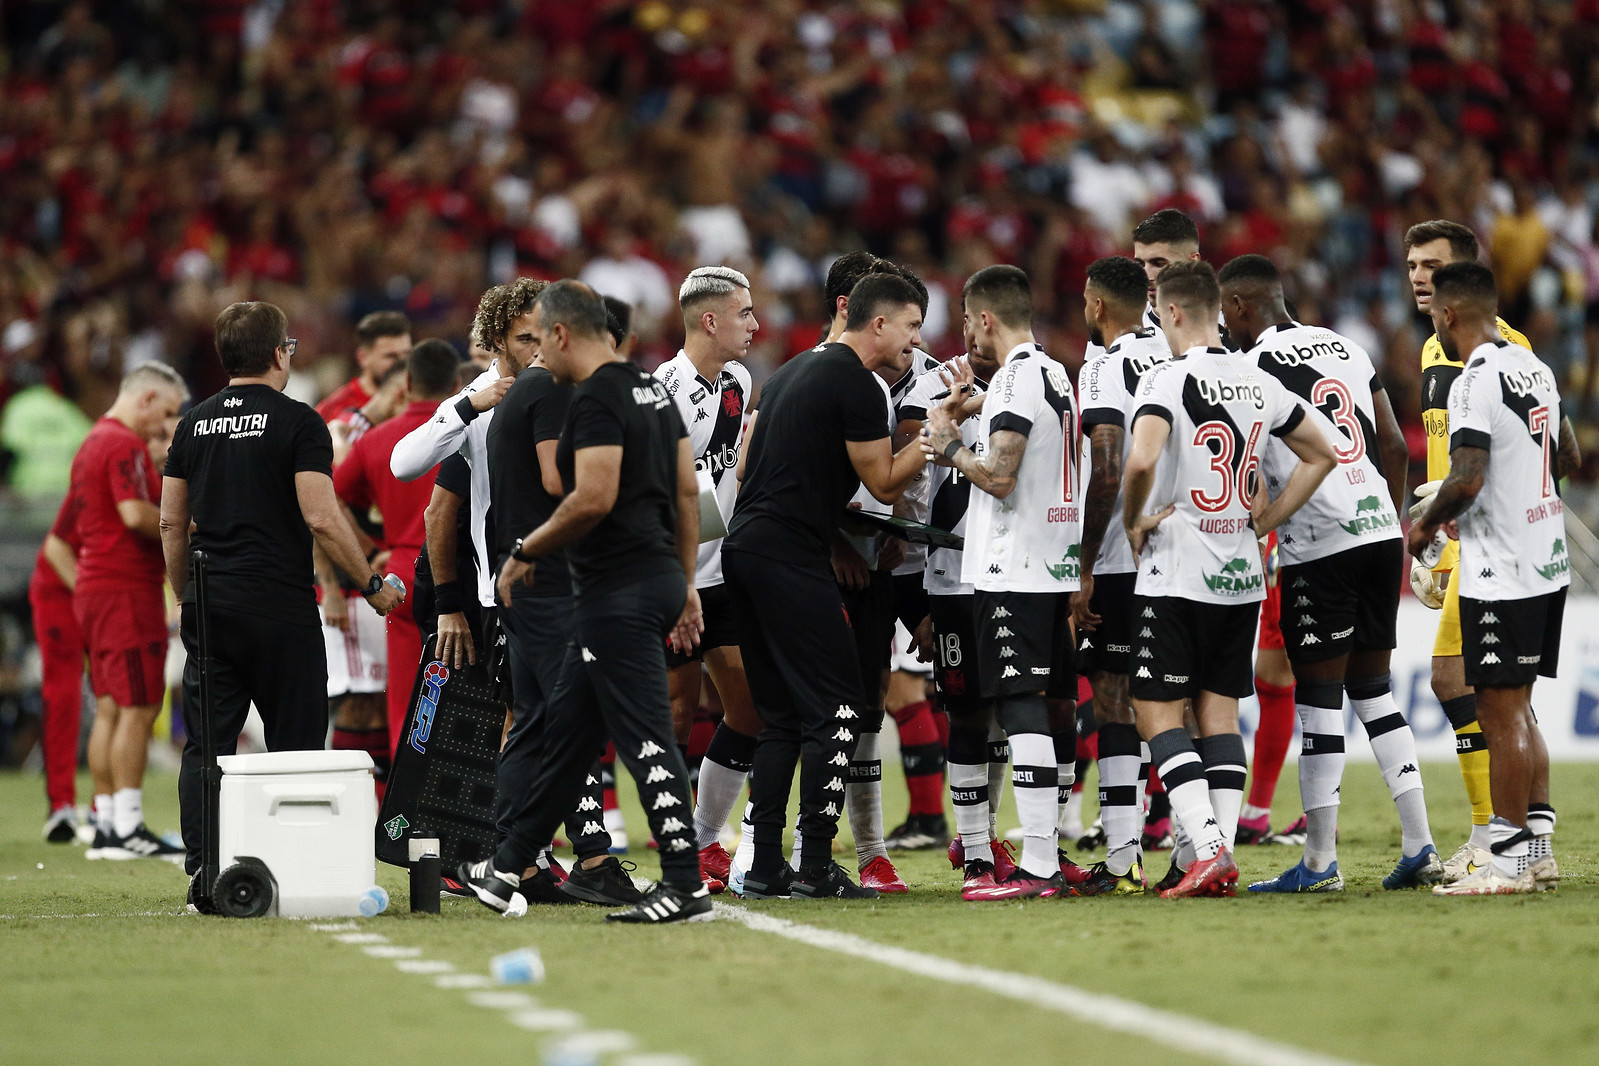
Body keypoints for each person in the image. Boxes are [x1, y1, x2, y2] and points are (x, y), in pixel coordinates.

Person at [471, 280, 711, 924]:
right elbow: (687, 493)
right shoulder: (654, 390)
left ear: (560, 333)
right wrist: (684, 582)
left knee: (645, 739)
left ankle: (686, 885)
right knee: (569, 732)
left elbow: (590, 497)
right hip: (655, 576)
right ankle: (506, 867)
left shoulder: (595, 397)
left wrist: (526, 552)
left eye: (543, 335)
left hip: (616, 593)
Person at [161, 302, 402, 902]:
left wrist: (183, 593)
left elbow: (171, 524)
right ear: (277, 354)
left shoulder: (192, 423)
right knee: (294, 739)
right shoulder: (299, 422)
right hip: (279, 603)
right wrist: (370, 587)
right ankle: (290, 864)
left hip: (211, 601)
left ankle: (204, 871)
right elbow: (321, 515)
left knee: (208, 744)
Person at [1217, 254, 1440, 893]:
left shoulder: (1248, 369)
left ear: (1236, 308)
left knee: (1318, 702)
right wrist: (1385, 518)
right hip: (1378, 531)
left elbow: (1247, 465)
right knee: (1373, 693)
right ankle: (1420, 842)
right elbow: (1394, 446)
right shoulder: (1343, 345)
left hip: (1320, 543)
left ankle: (1318, 863)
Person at [1121, 261, 1335, 899]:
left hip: (1179, 568)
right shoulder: (1258, 379)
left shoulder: (1166, 378)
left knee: (1155, 708)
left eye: (1159, 313)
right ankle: (1212, 850)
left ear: (1175, 313)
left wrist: (1134, 518)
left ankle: (1210, 849)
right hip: (1242, 573)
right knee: (1217, 712)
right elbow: (1322, 453)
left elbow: (1140, 458)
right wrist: (1266, 517)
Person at [723, 271, 926, 900]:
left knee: (781, 716)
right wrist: (938, 437)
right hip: (788, 555)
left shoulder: (789, 372)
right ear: (878, 323)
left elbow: (752, 465)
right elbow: (887, 481)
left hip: (746, 550)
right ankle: (814, 864)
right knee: (837, 708)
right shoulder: (857, 382)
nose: (916, 342)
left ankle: (762, 865)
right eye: (912, 326)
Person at [1408, 261, 1577, 896]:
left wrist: (1428, 523)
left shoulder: (1473, 380)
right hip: (1546, 558)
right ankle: (1533, 848)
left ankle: (1504, 861)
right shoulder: (1536, 367)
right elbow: (1569, 456)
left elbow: (1470, 474)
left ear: (1449, 316)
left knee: (1498, 713)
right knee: (1520, 710)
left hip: (1500, 569)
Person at [923, 264, 1080, 901]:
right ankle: (1047, 857)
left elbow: (1000, 477)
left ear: (985, 319)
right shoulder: (1053, 372)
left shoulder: (1017, 375)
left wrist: (947, 444)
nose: (966, 335)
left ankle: (1038, 866)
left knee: (1018, 712)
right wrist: (973, 410)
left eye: (967, 322)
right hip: (1054, 566)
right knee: (1043, 709)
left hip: (1013, 569)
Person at [1404, 220, 1533, 883]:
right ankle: (1526, 853)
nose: (1419, 276)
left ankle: (1495, 841)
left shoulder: (1499, 352)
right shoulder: (1433, 350)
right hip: (1461, 539)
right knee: (1504, 698)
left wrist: (1436, 520)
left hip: (1492, 538)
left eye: (1432, 264)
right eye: (1410, 265)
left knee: (1457, 681)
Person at [484, 303, 623, 906]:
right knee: (570, 717)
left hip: (524, 577)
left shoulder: (527, 392)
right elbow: (555, 478)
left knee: (538, 720)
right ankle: (584, 856)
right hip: (547, 579)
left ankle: (516, 862)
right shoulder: (550, 392)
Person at [1069, 254, 1173, 895]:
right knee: (1180, 699)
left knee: (1112, 697)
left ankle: (1123, 855)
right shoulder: (1175, 349)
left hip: (1119, 554)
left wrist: (1082, 564)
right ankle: (1195, 848)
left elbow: (1107, 468)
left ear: (1098, 306)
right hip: (1185, 548)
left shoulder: (1105, 367)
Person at [653, 266, 759, 894]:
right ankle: (674, 851)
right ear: (709, 321)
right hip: (675, 574)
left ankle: (702, 838)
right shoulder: (662, 389)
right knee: (671, 713)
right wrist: (677, 579)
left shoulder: (740, 381)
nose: (756, 324)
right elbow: (662, 492)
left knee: (750, 710)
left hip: (723, 571)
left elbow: (725, 473)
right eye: (744, 313)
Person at [65, 363, 188, 862]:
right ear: (145, 398)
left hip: (98, 587)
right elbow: (134, 514)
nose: (166, 425)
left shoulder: (96, 438)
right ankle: (126, 828)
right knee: (138, 707)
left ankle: (110, 822)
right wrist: (191, 524)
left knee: (114, 709)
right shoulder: (119, 443)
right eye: (167, 411)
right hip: (123, 588)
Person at [333, 339, 462, 758]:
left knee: (408, 701)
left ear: (406, 383)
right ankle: (473, 813)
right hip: (465, 570)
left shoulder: (377, 440)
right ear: (458, 383)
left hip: (405, 573)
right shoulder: (471, 430)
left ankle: (402, 815)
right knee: (477, 698)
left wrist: (372, 548)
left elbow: (331, 497)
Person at [320, 359, 410, 780]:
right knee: (360, 699)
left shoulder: (379, 434)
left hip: (373, 583)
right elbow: (320, 511)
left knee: (379, 698)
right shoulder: (342, 433)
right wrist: (331, 587)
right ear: (398, 394)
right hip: (350, 587)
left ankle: (378, 813)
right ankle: (356, 805)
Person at [31, 491, 87, 843]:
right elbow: (56, 547)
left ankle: (108, 811)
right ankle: (62, 805)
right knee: (65, 693)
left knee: (120, 699)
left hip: (103, 589)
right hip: (63, 589)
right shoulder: (108, 456)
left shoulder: (162, 471)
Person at [315, 310, 412, 423]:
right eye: (390, 356)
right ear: (363, 357)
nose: (401, 363)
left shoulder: (422, 402)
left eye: (407, 354)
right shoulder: (334, 410)